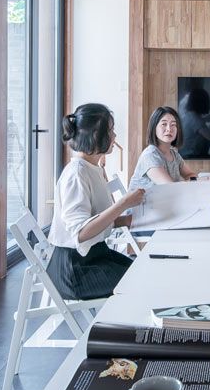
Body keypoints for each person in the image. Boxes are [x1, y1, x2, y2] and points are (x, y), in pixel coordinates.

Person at [47, 103, 144, 300]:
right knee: (141, 281)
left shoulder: (92, 168)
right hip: (75, 270)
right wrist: (123, 204)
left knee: (145, 273)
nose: (115, 137)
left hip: (95, 255)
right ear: (94, 136)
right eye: (110, 130)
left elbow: (96, 218)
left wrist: (128, 220)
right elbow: (81, 233)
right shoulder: (76, 174)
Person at [129, 106, 210, 190]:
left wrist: (201, 180)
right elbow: (171, 188)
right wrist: (207, 179)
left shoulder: (174, 154)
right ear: (154, 128)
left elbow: (189, 175)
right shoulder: (150, 156)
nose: (169, 129)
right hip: (144, 208)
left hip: (163, 204)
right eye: (164, 124)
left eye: (173, 125)